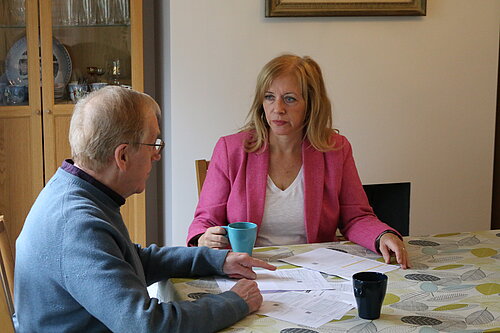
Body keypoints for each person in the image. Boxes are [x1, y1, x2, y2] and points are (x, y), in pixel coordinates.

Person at [14, 86, 276, 332]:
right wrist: (235, 302)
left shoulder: (76, 189)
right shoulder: (78, 225)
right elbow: (145, 325)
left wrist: (217, 260)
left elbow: (130, 260)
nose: (157, 155)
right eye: (154, 144)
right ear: (123, 156)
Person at [187, 54, 409, 269]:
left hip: (317, 270)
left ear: (311, 104)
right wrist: (203, 239)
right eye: (269, 97)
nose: (278, 109)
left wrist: (382, 235)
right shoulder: (231, 149)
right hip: (248, 268)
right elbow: (205, 221)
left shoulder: (335, 149)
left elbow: (356, 216)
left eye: (290, 99)